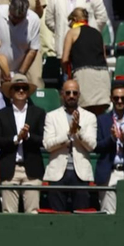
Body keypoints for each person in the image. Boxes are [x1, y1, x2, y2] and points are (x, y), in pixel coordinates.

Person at [41, 78, 96, 213]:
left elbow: (92, 145)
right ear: (62, 94)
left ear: (79, 95)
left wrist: (78, 131)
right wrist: (68, 134)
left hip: (80, 173)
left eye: (75, 93)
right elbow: (47, 144)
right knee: (57, 216)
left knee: (81, 217)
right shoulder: (51, 116)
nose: (71, 96)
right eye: (68, 93)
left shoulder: (90, 117)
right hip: (58, 172)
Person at [0, 73, 44, 214]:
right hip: (10, 168)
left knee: (33, 213)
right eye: (17, 88)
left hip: (32, 169)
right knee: (8, 213)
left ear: (28, 92)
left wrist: (27, 136)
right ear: (11, 92)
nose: (21, 91)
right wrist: (16, 138)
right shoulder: (1, 114)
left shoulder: (38, 113)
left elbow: (43, 140)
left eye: (24, 88)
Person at [93, 83, 124, 214]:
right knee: (108, 216)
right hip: (108, 173)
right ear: (111, 99)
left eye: (123, 98)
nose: (119, 101)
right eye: (116, 98)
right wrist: (112, 139)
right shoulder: (102, 120)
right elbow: (96, 147)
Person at [60, 7, 109, 114]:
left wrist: (66, 75)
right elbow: (104, 58)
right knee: (99, 113)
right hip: (103, 76)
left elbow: (65, 59)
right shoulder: (98, 33)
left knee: (83, 113)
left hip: (84, 75)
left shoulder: (72, 33)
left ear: (75, 19)